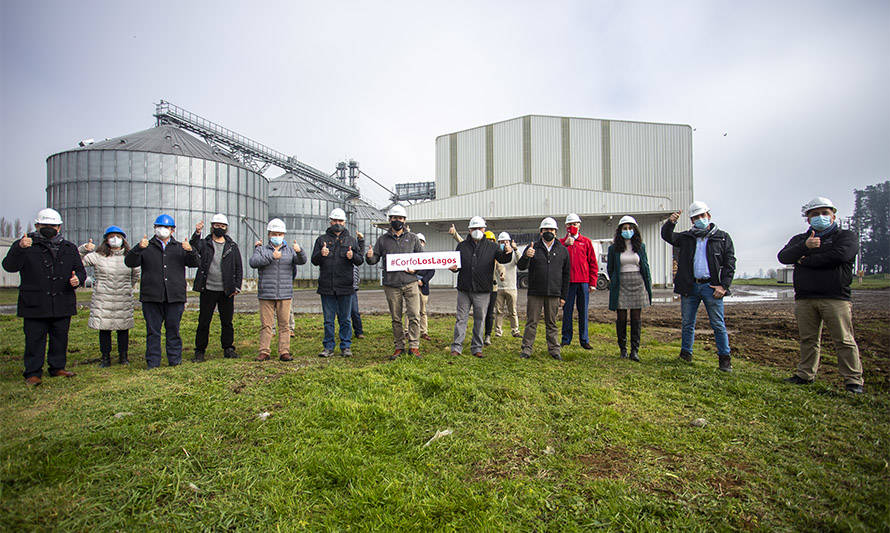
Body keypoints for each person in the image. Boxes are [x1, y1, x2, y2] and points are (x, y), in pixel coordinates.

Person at [778, 197, 864, 394]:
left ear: (833, 215)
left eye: (825, 213)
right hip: (805, 297)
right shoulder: (800, 240)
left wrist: (806, 260)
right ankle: (805, 374)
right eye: (815, 214)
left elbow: (841, 255)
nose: (820, 217)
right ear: (808, 219)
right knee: (808, 339)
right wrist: (805, 248)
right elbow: (783, 257)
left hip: (835, 297)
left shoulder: (846, 237)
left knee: (843, 339)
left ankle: (853, 380)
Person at [2, 208, 85, 385]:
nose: (49, 228)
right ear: (37, 225)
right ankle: (32, 372)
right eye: (45, 225)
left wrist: (77, 279)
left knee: (60, 337)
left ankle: (57, 367)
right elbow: (9, 266)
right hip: (35, 302)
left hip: (62, 301)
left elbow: (80, 270)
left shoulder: (68, 247)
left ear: (59, 227)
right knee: (34, 339)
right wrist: (18, 248)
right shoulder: (26, 245)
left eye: (53, 225)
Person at [661, 201, 736, 372]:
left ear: (708, 216)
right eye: (695, 218)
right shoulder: (687, 238)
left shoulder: (722, 238)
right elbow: (668, 236)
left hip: (712, 287)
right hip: (691, 286)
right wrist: (670, 223)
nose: (699, 220)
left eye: (702, 216)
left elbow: (729, 263)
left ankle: (724, 359)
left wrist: (723, 286)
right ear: (692, 220)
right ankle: (686, 354)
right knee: (688, 323)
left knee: (718, 324)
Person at [125, 214, 199, 369]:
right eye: (159, 227)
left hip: (174, 296)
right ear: (154, 228)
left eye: (166, 227)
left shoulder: (180, 247)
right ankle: (153, 363)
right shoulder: (146, 247)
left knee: (173, 330)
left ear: (172, 230)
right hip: (152, 297)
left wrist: (191, 250)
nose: (162, 230)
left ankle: (175, 361)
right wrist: (138, 248)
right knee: (153, 331)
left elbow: (196, 263)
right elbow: (130, 262)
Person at [448, 217, 513, 358]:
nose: (477, 231)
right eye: (474, 228)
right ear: (469, 230)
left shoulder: (492, 247)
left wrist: (508, 252)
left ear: (484, 229)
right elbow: (457, 265)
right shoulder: (462, 246)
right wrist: (453, 269)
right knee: (461, 318)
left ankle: (477, 347)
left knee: (480, 319)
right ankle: (457, 347)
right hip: (464, 289)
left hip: (483, 290)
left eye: (480, 228)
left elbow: (503, 259)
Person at [366, 204, 424, 359]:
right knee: (396, 318)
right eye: (394, 218)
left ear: (404, 220)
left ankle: (414, 346)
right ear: (389, 219)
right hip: (391, 285)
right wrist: (369, 255)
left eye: (400, 218)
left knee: (414, 315)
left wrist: (416, 270)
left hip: (410, 282)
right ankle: (399, 347)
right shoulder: (383, 240)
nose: (397, 220)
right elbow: (373, 260)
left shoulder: (413, 239)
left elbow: (421, 259)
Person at [79, 226, 140, 367]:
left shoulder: (129, 257)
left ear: (123, 239)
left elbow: (135, 275)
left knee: (123, 328)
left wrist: (127, 287)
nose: (115, 239)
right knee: (104, 328)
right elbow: (76, 261)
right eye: (111, 236)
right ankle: (105, 358)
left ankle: (123, 357)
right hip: (103, 297)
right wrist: (84, 249)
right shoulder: (98, 256)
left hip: (123, 296)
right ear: (106, 239)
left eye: (118, 237)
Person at [249, 218, 307, 362]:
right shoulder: (261, 249)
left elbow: (302, 261)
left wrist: (300, 251)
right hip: (266, 293)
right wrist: (271, 257)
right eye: (275, 233)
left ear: (284, 235)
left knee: (284, 325)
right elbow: (253, 262)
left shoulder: (290, 251)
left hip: (285, 293)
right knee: (266, 324)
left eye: (280, 234)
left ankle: (284, 351)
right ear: (269, 234)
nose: (277, 236)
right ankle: (264, 351)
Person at [190, 213, 243, 362]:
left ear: (226, 228)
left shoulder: (232, 246)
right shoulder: (205, 243)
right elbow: (192, 250)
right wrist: (197, 233)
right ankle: (200, 350)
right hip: (207, 288)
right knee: (204, 321)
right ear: (212, 226)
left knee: (227, 321)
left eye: (223, 226)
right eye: (217, 225)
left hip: (226, 290)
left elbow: (238, 267)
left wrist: (237, 287)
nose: (220, 228)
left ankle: (228, 348)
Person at [312, 208, 364, 357]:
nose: (337, 223)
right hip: (327, 286)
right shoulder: (321, 240)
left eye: (340, 221)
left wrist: (352, 255)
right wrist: (321, 254)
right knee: (328, 320)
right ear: (330, 221)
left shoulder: (351, 241)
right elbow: (314, 261)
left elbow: (360, 260)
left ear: (344, 223)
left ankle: (345, 346)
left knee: (345, 319)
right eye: (335, 221)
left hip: (345, 286)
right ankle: (328, 347)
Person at [517, 217, 570, 360]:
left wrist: (563, 296)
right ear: (541, 232)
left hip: (553, 293)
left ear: (556, 232)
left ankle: (554, 350)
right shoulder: (532, 247)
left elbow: (566, 275)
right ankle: (526, 349)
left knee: (552, 323)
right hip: (535, 292)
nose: (549, 232)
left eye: (552, 230)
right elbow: (521, 266)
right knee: (531, 322)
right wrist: (527, 257)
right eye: (546, 230)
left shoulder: (563, 251)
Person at [606, 216, 652, 361]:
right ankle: (623, 349)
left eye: (630, 228)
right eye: (624, 228)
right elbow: (610, 268)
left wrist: (648, 285)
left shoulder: (640, 247)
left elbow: (645, 265)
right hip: (621, 283)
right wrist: (614, 281)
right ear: (620, 231)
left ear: (635, 230)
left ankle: (635, 350)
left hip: (637, 282)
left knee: (636, 317)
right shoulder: (613, 249)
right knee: (621, 317)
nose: (627, 231)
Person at [560, 213, 598, 350]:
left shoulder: (586, 242)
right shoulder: (561, 243)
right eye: (570, 224)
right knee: (567, 311)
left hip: (583, 282)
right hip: (568, 283)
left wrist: (592, 282)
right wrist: (565, 245)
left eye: (575, 224)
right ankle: (566, 339)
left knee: (583, 311)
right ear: (566, 226)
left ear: (579, 225)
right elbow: (557, 259)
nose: (572, 227)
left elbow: (592, 263)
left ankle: (584, 339)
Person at [494, 232, 522, 339]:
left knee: (513, 311)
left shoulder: (514, 254)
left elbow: (520, 263)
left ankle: (515, 330)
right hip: (499, 287)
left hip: (511, 287)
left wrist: (516, 250)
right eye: (502, 242)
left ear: (510, 242)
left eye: (506, 241)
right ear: (498, 243)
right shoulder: (496, 255)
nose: (504, 244)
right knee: (499, 311)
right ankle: (498, 331)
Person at [415, 233, 435, 341]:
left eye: (421, 241)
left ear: (424, 243)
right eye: (418, 241)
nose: (420, 243)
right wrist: (414, 280)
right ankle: (407, 331)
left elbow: (431, 271)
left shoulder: (428, 258)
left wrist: (423, 281)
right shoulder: (409, 257)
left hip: (423, 287)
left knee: (422, 311)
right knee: (411, 310)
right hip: (412, 286)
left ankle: (424, 332)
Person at [482, 230, 500, 346]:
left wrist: (502, 274)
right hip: (481, 287)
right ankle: (478, 334)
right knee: (480, 313)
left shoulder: (495, 255)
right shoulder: (479, 253)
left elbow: (500, 266)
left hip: (492, 288)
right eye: (487, 240)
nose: (489, 243)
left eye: (491, 241)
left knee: (490, 313)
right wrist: (455, 234)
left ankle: (487, 335)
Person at [351, 231, 366, 340]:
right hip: (340, 285)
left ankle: (359, 331)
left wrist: (361, 240)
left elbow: (360, 252)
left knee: (354, 311)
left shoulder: (355, 257)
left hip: (352, 287)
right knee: (342, 313)